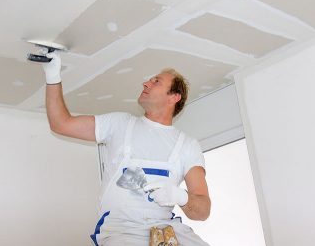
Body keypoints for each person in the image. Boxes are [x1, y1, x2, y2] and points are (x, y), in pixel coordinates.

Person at [42, 52, 211, 246]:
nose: (145, 84)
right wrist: (53, 76)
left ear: (174, 97)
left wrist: (180, 196)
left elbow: (203, 210)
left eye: (156, 81)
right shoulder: (119, 124)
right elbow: (61, 124)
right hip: (122, 231)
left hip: (166, 229)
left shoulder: (187, 145)